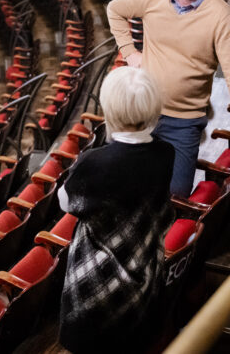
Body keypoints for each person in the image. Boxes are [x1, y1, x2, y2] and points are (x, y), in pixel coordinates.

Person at [107, 0, 230, 197]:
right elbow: (114, 9)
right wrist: (130, 52)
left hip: (184, 122)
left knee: (177, 193)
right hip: (143, 111)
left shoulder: (220, 16)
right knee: (125, 185)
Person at [58, 66, 174, 353]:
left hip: (98, 285)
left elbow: (65, 202)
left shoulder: (94, 162)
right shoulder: (165, 153)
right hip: (143, 270)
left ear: (110, 110)